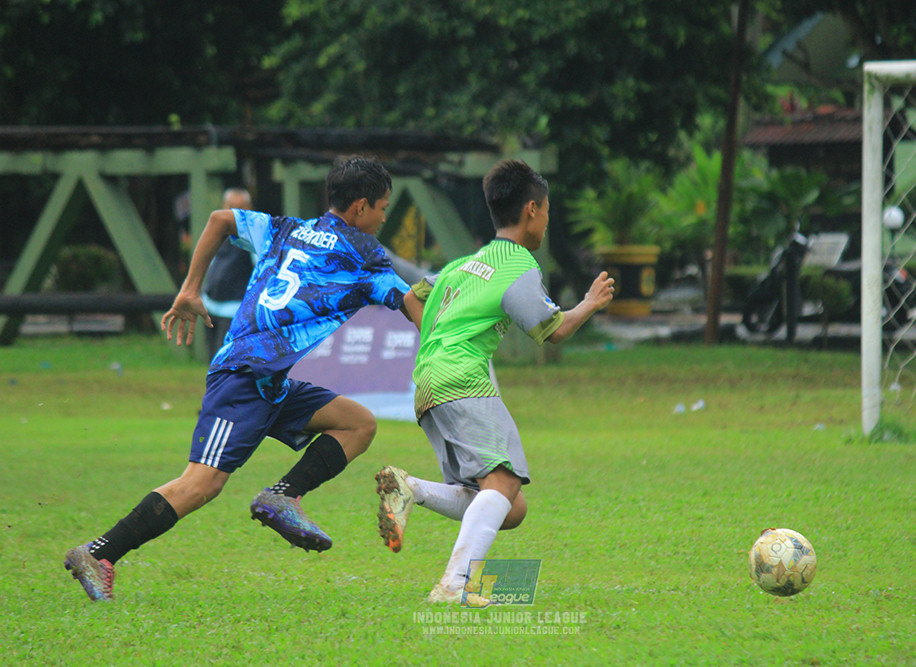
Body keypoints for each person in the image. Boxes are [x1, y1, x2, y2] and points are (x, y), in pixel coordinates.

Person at [65, 156, 415, 601]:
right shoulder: (365, 255)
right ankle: (99, 553)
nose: (385, 217)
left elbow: (219, 219)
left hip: (269, 381)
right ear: (362, 207)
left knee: (357, 423)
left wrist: (190, 287)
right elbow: (408, 301)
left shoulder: (287, 228)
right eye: (383, 207)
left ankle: (282, 496)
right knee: (200, 483)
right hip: (244, 374)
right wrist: (439, 347)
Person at [374, 159, 615, 604]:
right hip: (463, 380)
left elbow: (411, 296)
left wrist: (437, 337)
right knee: (503, 485)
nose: (547, 219)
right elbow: (553, 329)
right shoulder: (517, 265)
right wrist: (589, 303)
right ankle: (454, 585)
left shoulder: (463, 264)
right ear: (531, 210)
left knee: (509, 506)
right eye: (546, 210)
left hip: (427, 383)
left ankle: (412, 489)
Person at [201, 187, 256, 359]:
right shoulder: (216, 233)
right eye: (231, 206)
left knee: (225, 362)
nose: (235, 212)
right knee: (212, 359)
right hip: (210, 305)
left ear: (250, 209)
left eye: (241, 207)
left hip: (234, 311)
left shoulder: (254, 237)